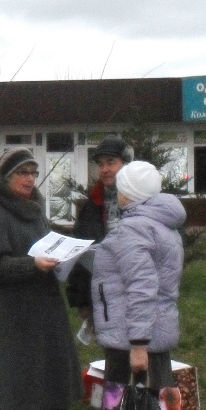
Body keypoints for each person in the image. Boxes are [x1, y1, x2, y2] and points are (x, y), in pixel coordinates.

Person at [0, 147, 83, 410]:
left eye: (33, 173)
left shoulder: (35, 210)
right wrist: (31, 265)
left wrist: (64, 256)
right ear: (7, 177)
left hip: (47, 311)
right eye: (23, 173)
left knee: (54, 379)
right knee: (17, 386)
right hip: (14, 317)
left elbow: (45, 247)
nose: (30, 179)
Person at [92, 161, 185, 410]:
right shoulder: (160, 223)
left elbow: (142, 287)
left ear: (129, 192)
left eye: (121, 185)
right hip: (147, 333)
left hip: (133, 337)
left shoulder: (134, 228)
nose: (117, 191)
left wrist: (138, 344)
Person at [67, 136, 134, 321]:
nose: (104, 169)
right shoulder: (92, 206)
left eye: (111, 162)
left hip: (138, 294)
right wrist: (82, 301)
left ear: (127, 163)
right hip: (102, 298)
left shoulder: (146, 201)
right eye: (100, 164)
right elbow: (79, 254)